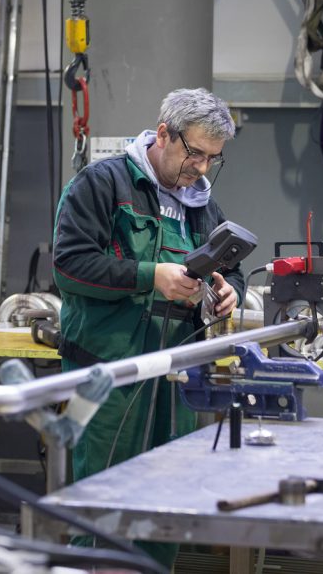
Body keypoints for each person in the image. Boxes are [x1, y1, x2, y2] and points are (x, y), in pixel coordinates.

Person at [51, 87, 245, 566]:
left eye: (212, 159)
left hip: (174, 381)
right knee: (101, 509)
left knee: (166, 507)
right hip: (106, 378)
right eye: (194, 153)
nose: (200, 168)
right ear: (164, 134)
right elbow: (69, 267)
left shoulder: (201, 204)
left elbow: (231, 265)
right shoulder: (102, 185)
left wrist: (229, 290)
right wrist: (149, 276)